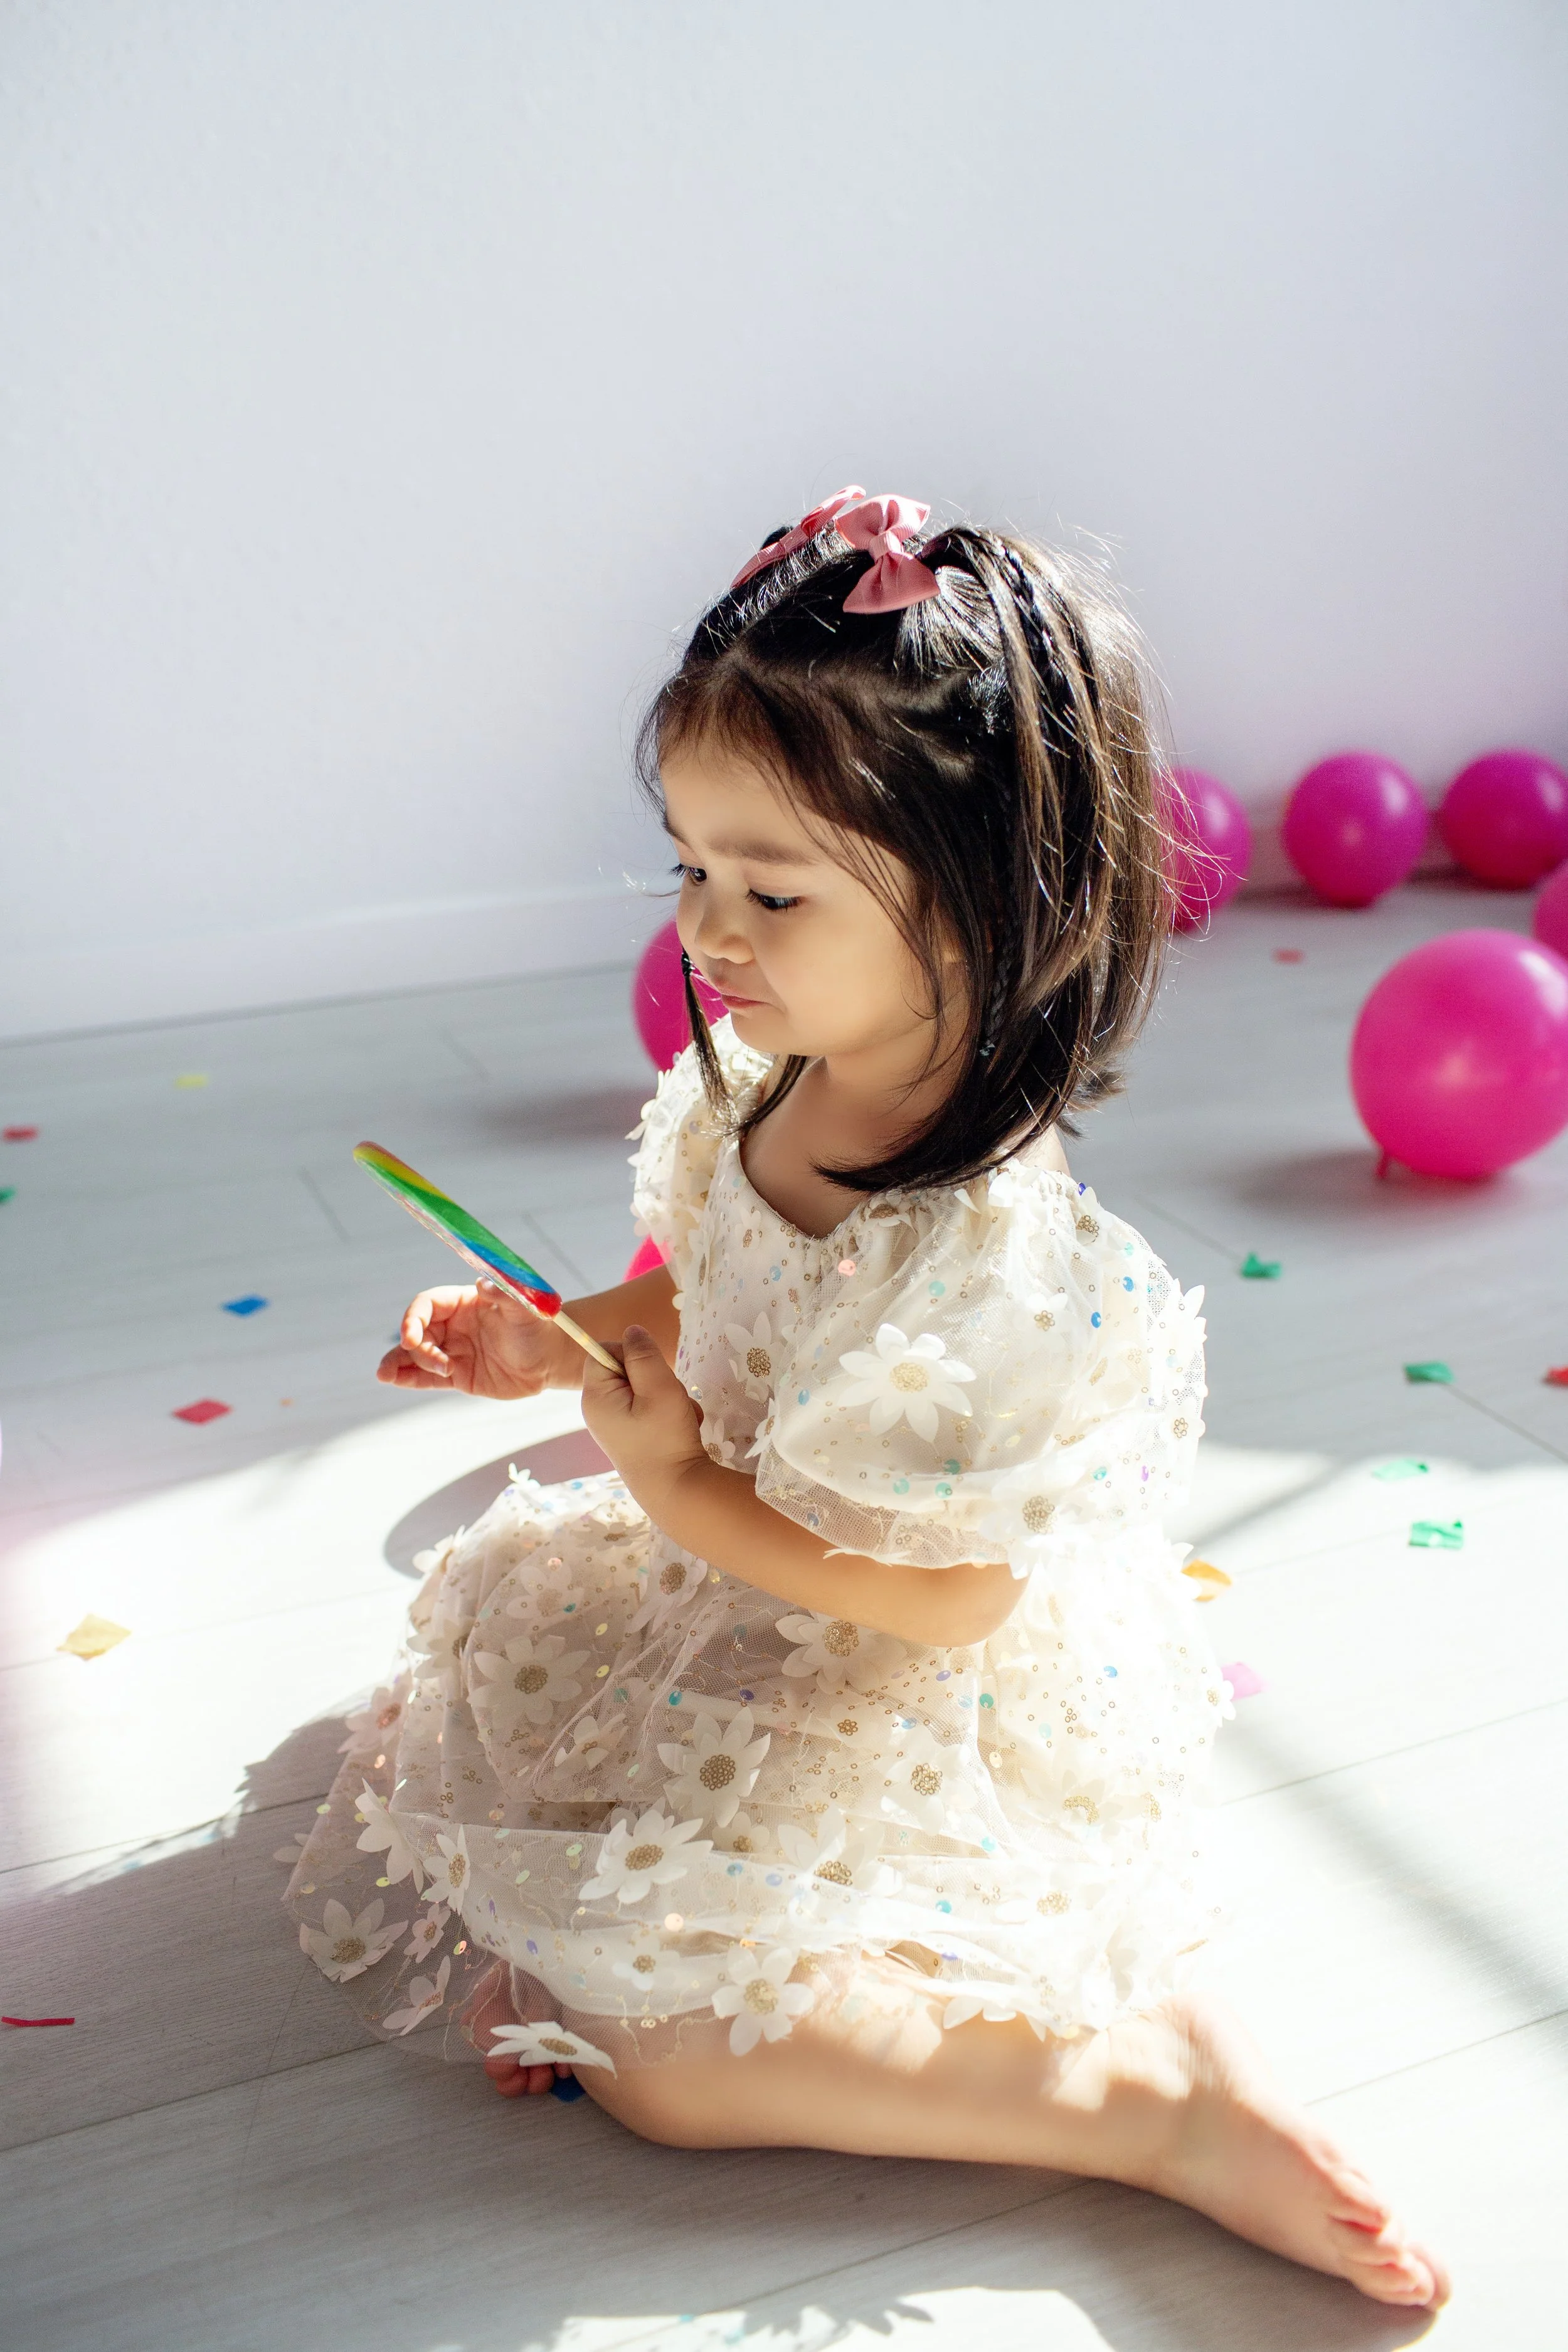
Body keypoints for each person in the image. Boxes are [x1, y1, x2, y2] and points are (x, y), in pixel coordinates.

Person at [288, 491, 1446, 2309]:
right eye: (686, 868)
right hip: (751, 1567)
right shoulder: (784, 1073)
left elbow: (951, 1596)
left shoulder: (982, 1254)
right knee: (457, 1739)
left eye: (768, 888)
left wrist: (679, 1495)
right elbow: (715, 1273)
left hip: (899, 1652)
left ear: (981, 899)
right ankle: (1134, 2036)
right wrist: (560, 1335)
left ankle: (1145, 2107)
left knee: (676, 2074)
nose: (709, 930)